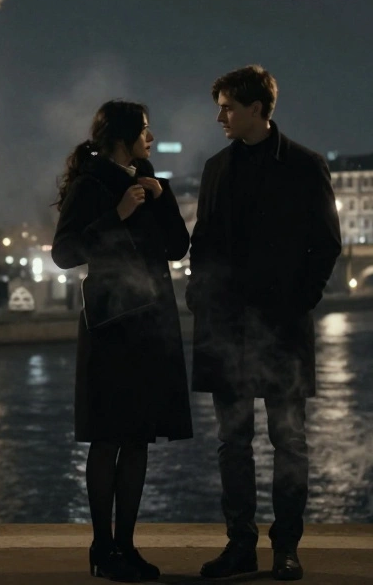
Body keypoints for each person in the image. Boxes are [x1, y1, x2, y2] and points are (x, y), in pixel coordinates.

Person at [187, 65, 342, 582]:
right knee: (234, 443)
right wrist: (199, 295)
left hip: (279, 325)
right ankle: (240, 545)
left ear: (258, 108)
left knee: (288, 442)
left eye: (228, 107)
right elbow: (203, 242)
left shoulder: (305, 165)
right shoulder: (216, 168)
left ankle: (286, 547)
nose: (220, 117)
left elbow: (326, 244)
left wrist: (297, 301)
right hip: (226, 324)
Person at [52, 99, 193, 582]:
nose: (151, 138)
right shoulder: (91, 185)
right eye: (146, 130)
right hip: (112, 326)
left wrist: (161, 197)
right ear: (123, 135)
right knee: (109, 437)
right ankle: (102, 546)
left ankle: (126, 547)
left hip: (151, 322)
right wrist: (117, 213)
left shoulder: (149, 180)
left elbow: (177, 248)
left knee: (138, 438)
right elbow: (64, 253)